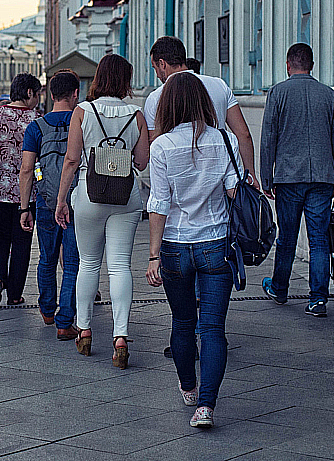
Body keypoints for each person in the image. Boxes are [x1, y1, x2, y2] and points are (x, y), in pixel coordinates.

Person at [145, 73, 240, 429]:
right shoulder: (224, 140)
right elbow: (234, 191)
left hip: (174, 248)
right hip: (215, 243)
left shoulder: (161, 146)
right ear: (202, 101)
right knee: (213, 329)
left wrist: (153, 255)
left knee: (183, 322)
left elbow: (159, 203)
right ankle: (206, 407)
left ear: (168, 104)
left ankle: (188, 386)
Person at [55, 54, 150, 369]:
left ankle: (84, 330)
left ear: (98, 78)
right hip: (126, 197)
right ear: (125, 80)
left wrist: (61, 200)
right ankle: (120, 336)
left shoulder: (82, 111)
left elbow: (71, 160)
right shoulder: (136, 114)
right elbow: (141, 161)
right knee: (120, 266)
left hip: (88, 195)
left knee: (88, 264)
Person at [261, 43, 334, 317]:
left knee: (287, 237)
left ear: (288, 65)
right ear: (312, 65)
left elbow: (268, 139)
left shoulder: (278, 93)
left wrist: (266, 177)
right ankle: (319, 299)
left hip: (288, 177)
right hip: (322, 177)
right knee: (319, 239)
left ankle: (280, 288)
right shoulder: (329, 96)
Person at [144, 37, 257, 188]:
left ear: (162, 64)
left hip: (178, 185)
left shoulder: (156, 97)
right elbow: (244, 134)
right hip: (220, 178)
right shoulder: (219, 85)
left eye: (155, 67)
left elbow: (155, 144)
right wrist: (251, 175)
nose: (157, 75)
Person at [20, 70, 81, 340]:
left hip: (45, 201)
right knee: (72, 261)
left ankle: (46, 309)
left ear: (51, 95)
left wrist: (24, 207)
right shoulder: (82, 121)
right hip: (74, 200)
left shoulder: (36, 127)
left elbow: (26, 169)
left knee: (46, 258)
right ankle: (65, 320)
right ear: (75, 94)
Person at [0, 73, 42, 306]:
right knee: (22, 242)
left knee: (0, 237)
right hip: (27, 192)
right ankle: (15, 294)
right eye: (37, 94)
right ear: (30, 93)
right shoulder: (36, 119)